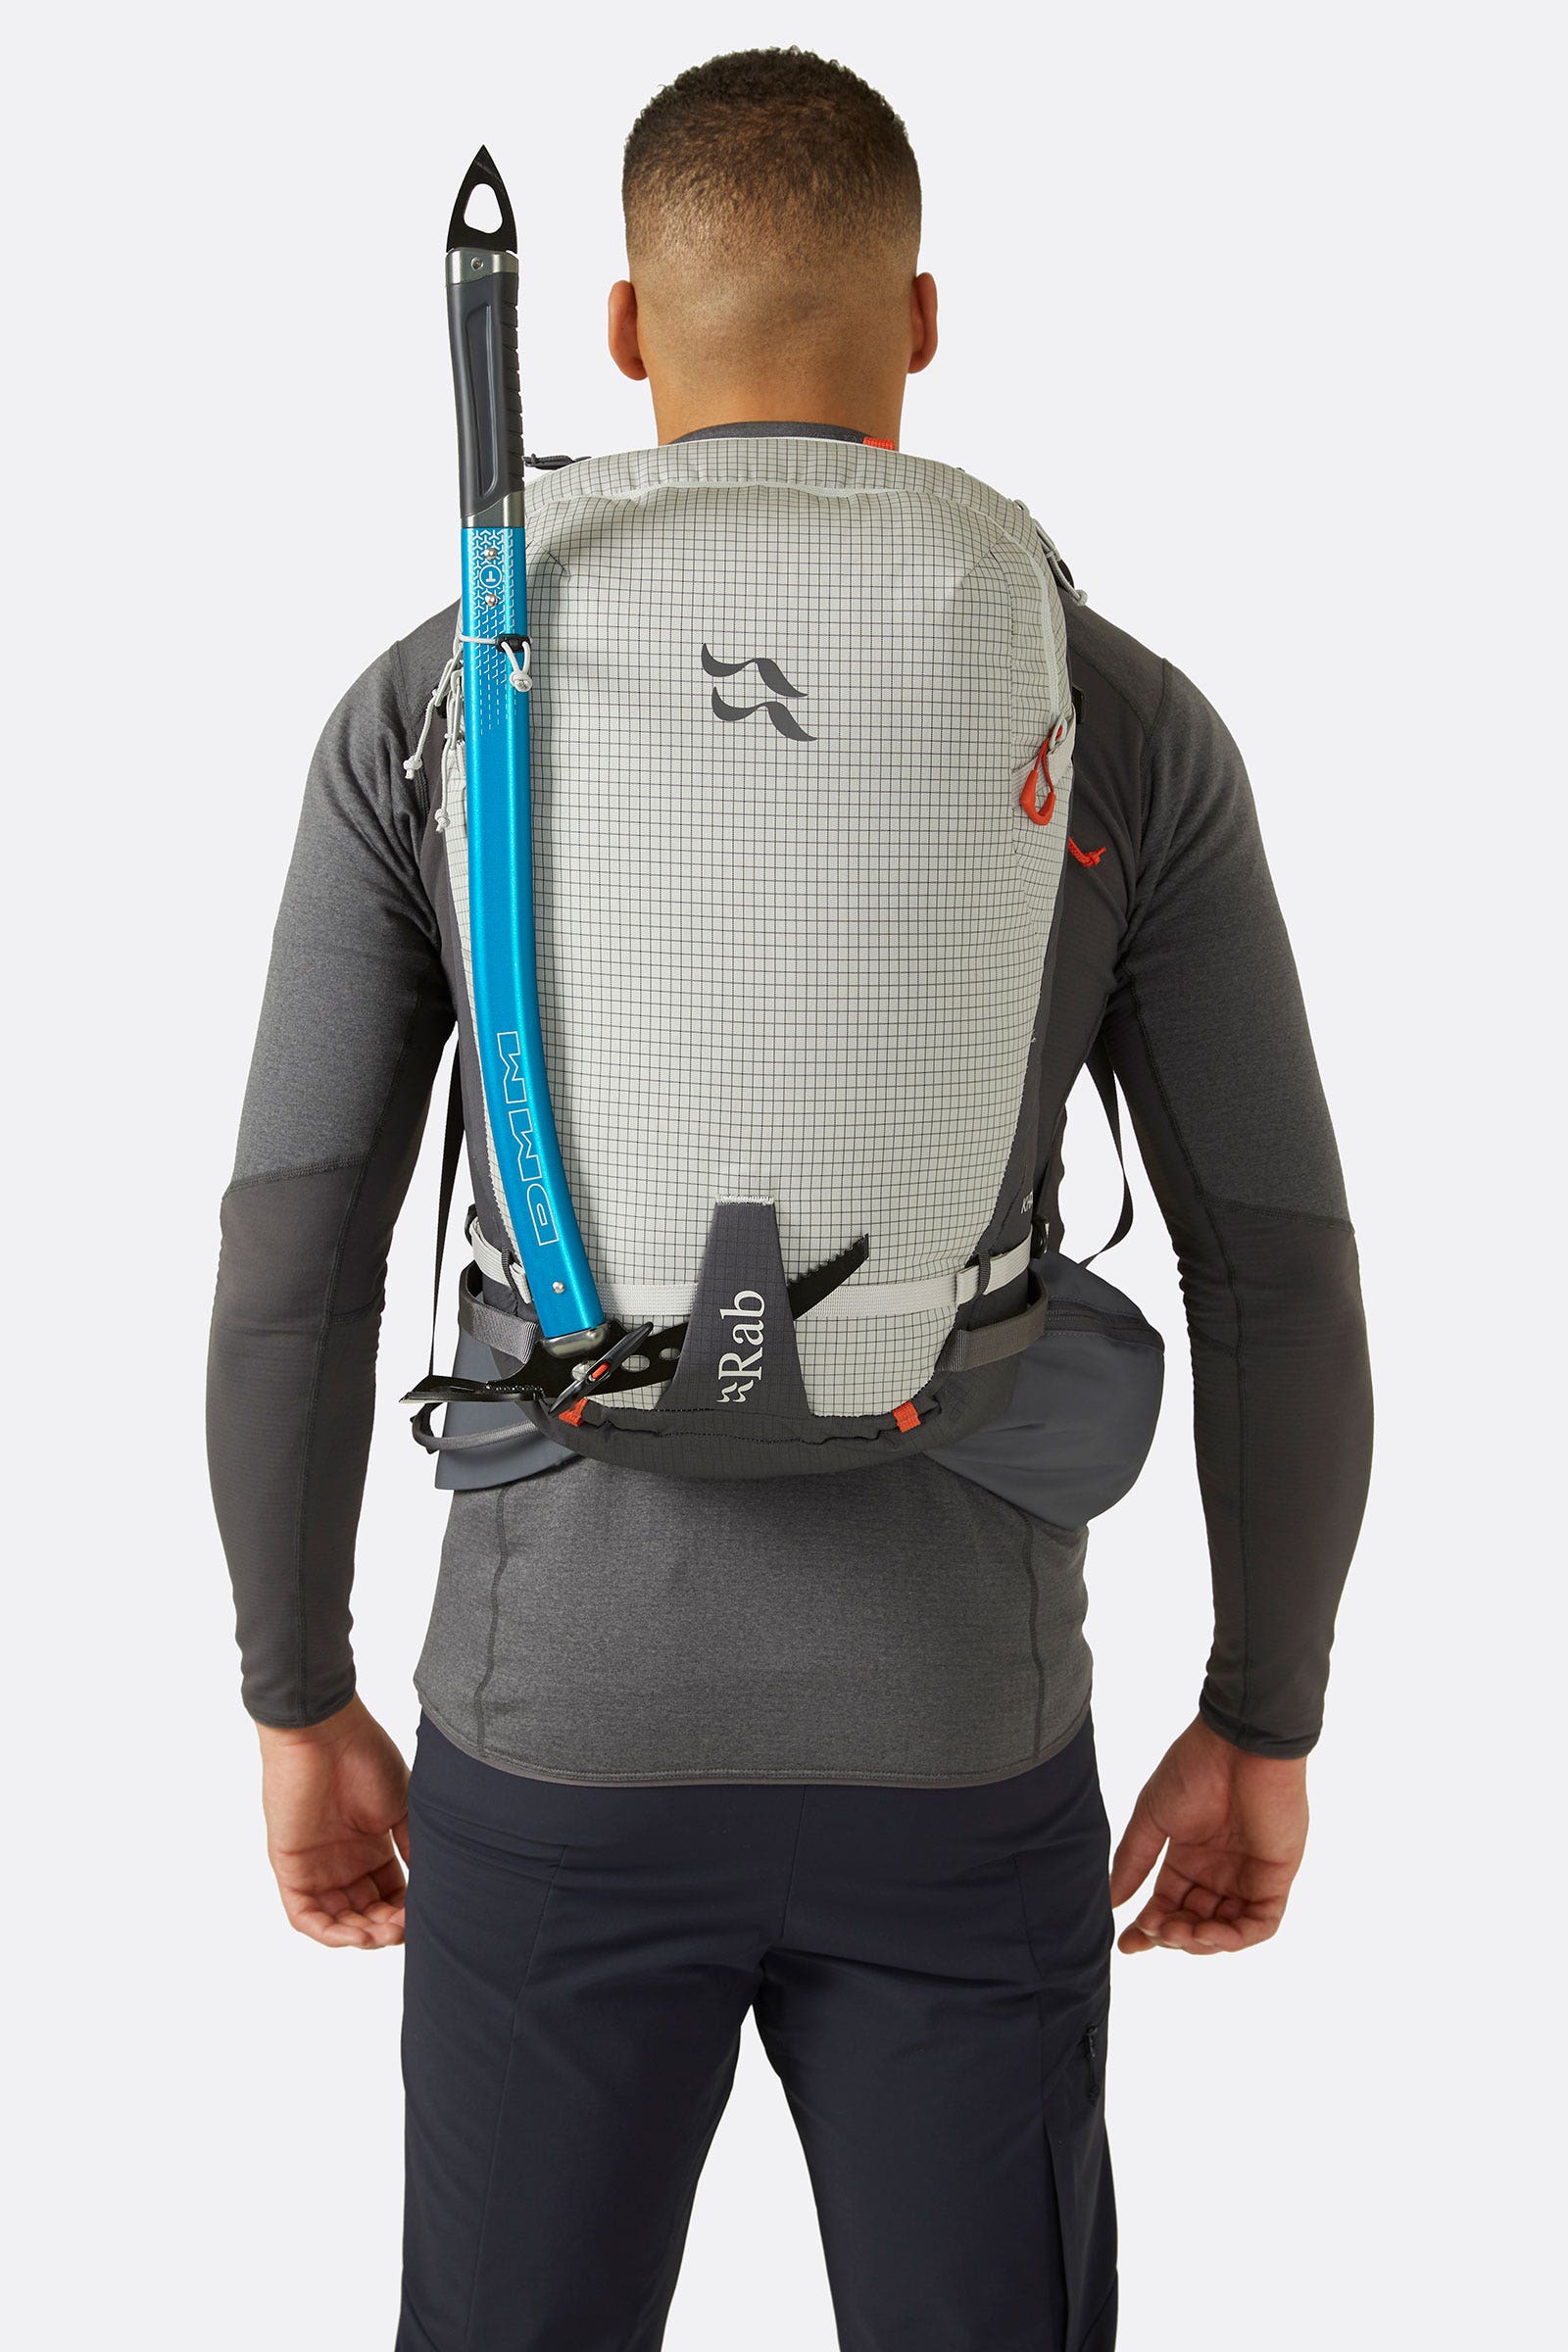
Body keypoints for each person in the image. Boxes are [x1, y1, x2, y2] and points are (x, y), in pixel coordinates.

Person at [208, 47, 1372, 2352]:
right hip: (959, 1751)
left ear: (619, 328)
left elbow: (294, 1251)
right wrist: (1261, 1712)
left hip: (552, 1743)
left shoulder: (436, 701)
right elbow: (1276, 1269)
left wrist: (293, 1687)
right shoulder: (1111, 714)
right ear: (917, 322)